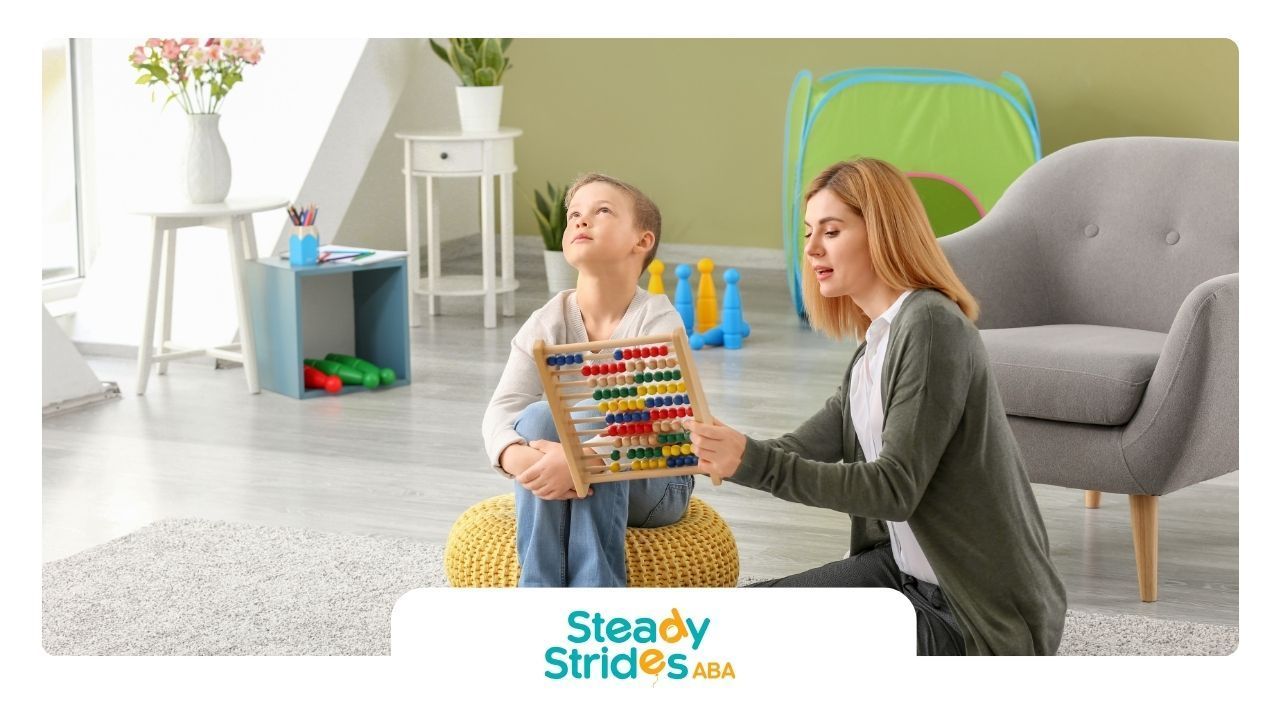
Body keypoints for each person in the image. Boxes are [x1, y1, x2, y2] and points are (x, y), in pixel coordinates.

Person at [687, 158, 1067, 655]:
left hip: (976, 618)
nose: (812, 248)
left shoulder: (931, 326)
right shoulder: (875, 345)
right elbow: (799, 448)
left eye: (832, 230)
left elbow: (893, 489)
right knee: (725, 627)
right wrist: (701, 447)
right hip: (901, 578)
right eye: (808, 233)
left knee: (773, 649)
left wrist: (750, 461)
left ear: (882, 232)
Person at [481, 172, 694, 587]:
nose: (581, 220)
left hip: (655, 480)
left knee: (606, 402)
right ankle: (540, 595)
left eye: (602, 211)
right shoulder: (546, 321)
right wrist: (514, 456)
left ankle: (597, 597)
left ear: (642, 241)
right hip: (567, 464)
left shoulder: (657, 319)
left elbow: (661, 424)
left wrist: (581, 461)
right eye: (574, 214)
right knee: (540, 417)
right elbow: (502, 409)